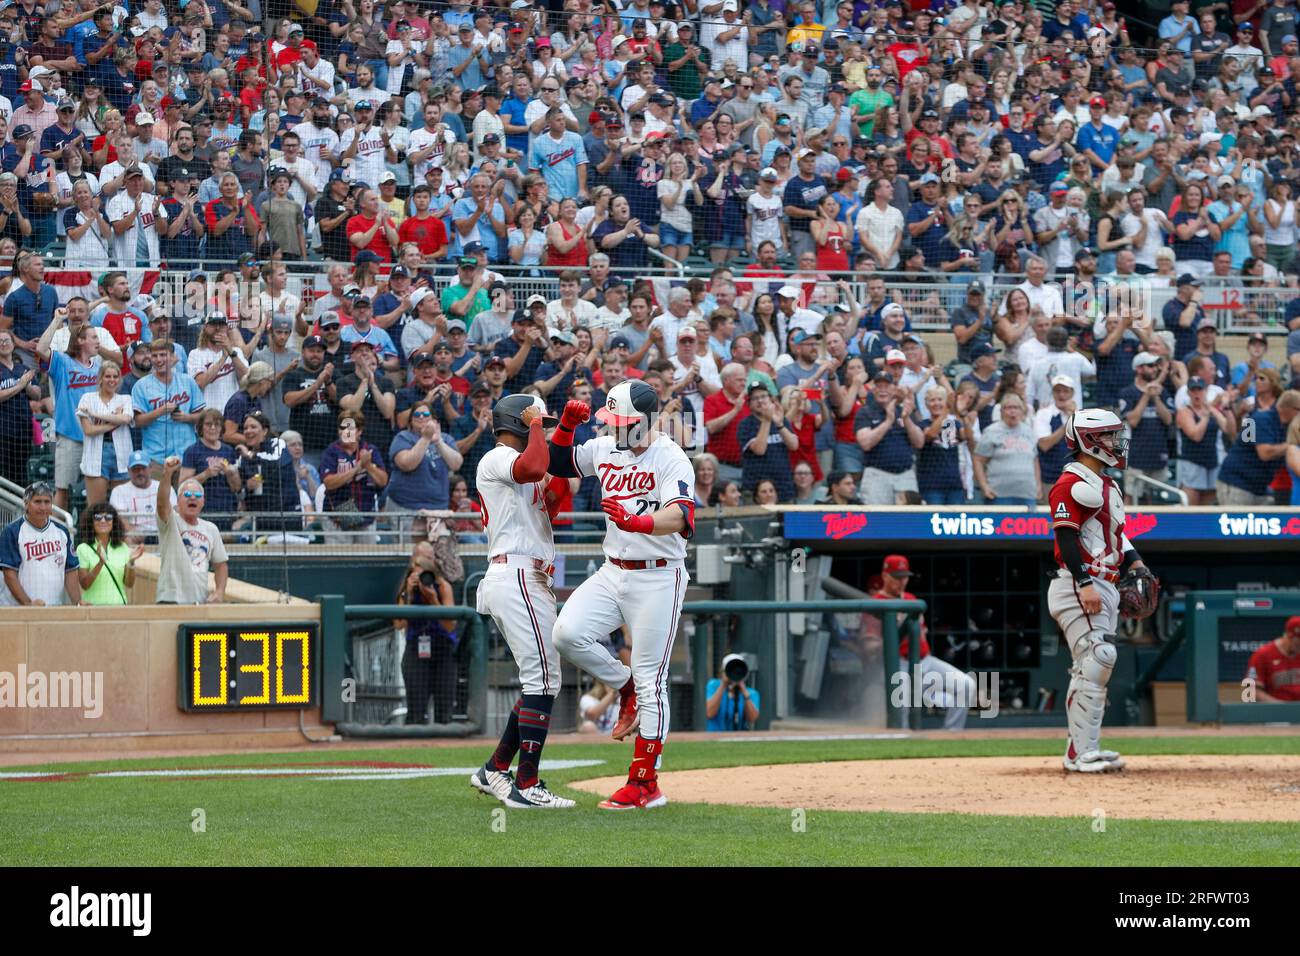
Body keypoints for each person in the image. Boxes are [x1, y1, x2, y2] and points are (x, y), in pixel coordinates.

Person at [548, 380, 694, 810]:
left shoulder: (670, 456)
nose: (615, 429)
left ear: (645, 422)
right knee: (567, 634)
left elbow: (682, 516)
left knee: (653, 680)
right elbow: (557, 461)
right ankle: (622, 684)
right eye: (611, 422)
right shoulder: (603, 446)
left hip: (658, 575)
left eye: (623, 423)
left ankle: (645, 783)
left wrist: (638, 523)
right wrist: (566, 426)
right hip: (613, 570)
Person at [468, 394, 580, 809]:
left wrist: (564, 430)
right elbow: (533, 465)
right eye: (537, 422)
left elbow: (557, 492)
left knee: (543, 679)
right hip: (515, 572)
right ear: (518, 422)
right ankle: (526, 784)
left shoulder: (523, 464)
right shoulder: (496, 457)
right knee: (544, 679)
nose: (544, 427)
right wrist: (537, 428)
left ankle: (495, 769)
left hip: (526, 573)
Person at [1049, 409, 1154, 773]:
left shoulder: (1107, 484)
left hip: (1105, 581)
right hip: (1079, 583)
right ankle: (1079, 753)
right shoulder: (1071, 482)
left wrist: (1136, 562)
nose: (1116, 442)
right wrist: (1083, 582)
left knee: (1093, 666)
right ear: (1090, 441)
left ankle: (1085, 748)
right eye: (1109, 436)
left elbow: (1116, 535)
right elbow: (1066, 534)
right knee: (1099, 658)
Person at [861, 555, 976, 731]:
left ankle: (951, 736)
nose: (902, 581)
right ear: (885, 576)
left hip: (925, 662)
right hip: (898, 665)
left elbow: (923, 633)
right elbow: (868, 646)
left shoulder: (910, 598)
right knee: (903, 705)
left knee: (967, 685)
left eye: (904, 577)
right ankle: (903, 747)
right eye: (896, 577)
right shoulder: (875, 604)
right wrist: (890, 637)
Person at [397, 542, 459, 725]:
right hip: (416, 647)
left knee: (444, 711)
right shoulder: (406, 588)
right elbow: (398, 623)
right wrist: (408, 594)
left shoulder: (442, 586)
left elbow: (451, 625)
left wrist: (433, 599)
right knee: (415, 709)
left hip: (442, 649)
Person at [155, 455, 228, 605]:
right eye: (187, 494)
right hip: (170, 600)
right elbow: (162, 503)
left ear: (203, 502)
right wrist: (167, 473)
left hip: (199, 601)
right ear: (178, 501)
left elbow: (221, 564)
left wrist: (219, 591)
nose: (192, 498)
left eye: (197, 495)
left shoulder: (211, 529)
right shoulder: (171, 520)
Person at [0, 481, 81, 607]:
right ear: (26, 504)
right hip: (17, 608)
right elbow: (9, 574)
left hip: (53, 607)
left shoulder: (62, 531)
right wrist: (28, 603)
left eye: (47, 502)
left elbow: (70, 571)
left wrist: (77, 603)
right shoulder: (12, 531)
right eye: (37, 501)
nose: (43, 507)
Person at [320, 410, 389, 545]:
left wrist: (368, 465)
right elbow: (328, 482)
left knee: (365, 561)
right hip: (337, 518)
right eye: (342, 428)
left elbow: (383, 481)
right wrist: (356, 469)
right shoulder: (332, 451)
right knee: (340, 561)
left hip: (366, 516)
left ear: (359, 431)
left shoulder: (370, 450)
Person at [75, 360, 134, 507]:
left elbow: (126, 418)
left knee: (122, 507)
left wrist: (95, 414)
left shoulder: (125, 399)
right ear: (100, 378)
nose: (112, 380)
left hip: (121, 453)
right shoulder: (87, 398)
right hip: (96, 453)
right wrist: (114, 422)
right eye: (108, 376)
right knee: (96, 507)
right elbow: (89, 430)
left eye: (115, 377)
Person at [973, 394, 1040, 505]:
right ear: (1002, 412)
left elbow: (1034, 460)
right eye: (1008, 408)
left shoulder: (1029, 431)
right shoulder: (991, 431)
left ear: (1022, 411)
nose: (1012, 411)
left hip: (1027, 493)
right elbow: (978, 460)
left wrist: (1037, 486)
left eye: (1016, 408)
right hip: (998, 494)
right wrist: (984, 486)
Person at [74, 502, 142, 606]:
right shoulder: (83, 548)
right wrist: (100, 563)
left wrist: (131, 563)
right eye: (98, 517)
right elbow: (85, 584)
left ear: (113, 522)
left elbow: (129, 584)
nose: (103, 520)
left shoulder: (122, 547)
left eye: (108, 517)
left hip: (119, 610)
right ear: (91, 521)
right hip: (92, 609)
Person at [0, 329, 39, 487]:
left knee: (20, 475)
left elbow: (37, 395)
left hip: (22, 429)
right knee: (3, 475)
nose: (3, 344)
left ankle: (18, 511)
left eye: (6, 340)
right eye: (0, 341)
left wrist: (27, 386)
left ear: (13, 344)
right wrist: (20, 385)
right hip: (3, 430)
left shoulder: (22, 368)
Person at [1243, 616, 1300, 702]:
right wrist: (1280, 707)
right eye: (1298, 641)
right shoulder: (1262, 655)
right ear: (1288, 636)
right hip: (1274, 712)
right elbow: (1248, 693)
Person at [705, 654, 761, 731]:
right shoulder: (713, 685)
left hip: (739, 739)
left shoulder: (751, 693)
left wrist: (744, 691)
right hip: (715, 736)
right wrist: (723, 685)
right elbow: (709, 713)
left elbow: (752, 718)